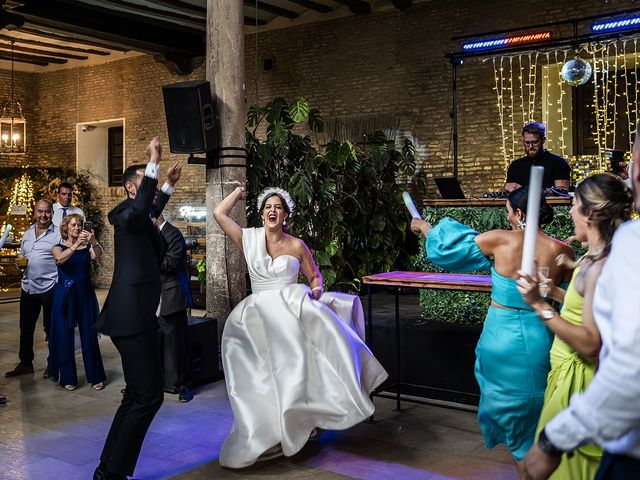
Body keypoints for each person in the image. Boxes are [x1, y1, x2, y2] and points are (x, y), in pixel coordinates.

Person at [213, 186, 388, 469]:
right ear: (261, 214)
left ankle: (298, 425)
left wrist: (316, 290)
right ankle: (265, 432)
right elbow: (219, 214)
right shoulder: (248, 239)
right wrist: (237, 193)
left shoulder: (297, 245)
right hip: (256, 318)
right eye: (267, 207)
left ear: (285, 215)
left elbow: (315, 276)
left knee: (290, 374)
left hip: (289, 315)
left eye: (278, 207)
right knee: (260, 378)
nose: (272, 210)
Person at [410, 187, 573, 479]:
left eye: (509, 210)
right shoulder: (562, 250)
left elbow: (446, 247)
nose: (507, 215)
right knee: (536, 410)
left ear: (520, 213)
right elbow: (574, 300)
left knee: (513, 417)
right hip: (541, 335)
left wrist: (423, 226)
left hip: (501, 335)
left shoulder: (499, 240)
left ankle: (526, 467)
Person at [523, 130, 640, 480]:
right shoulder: (596, 258)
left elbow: (593, 342)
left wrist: (537, 305)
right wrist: (557, 294)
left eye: (574, 203)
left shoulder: (610, 259)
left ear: (589, 213)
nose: (569, 209)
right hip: (566, 378)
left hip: (582, 384)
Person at [92, 137, 182, 480]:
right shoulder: (123, 214)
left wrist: (169, 186)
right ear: (131, 186)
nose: (152, 185)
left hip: (140, 317)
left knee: (137, 396)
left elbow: (151, 209)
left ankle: (108, 470)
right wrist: (155, 159)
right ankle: (112, 472)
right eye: (147, 179)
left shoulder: (139, 217)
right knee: (147, 397)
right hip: (130, 319)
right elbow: (144, 207)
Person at [48, 213, 107, 391]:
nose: (77, 227)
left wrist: (94, 241)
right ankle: (68, 378)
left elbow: (97, 255)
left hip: (85, 294)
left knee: (89, 333)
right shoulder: (57, 247)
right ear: (66, 227)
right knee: (65, 334)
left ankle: (95, 376)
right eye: (73, 225)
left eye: (80, 225)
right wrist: (75, 245)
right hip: (65, 295)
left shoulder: (86, 247)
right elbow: (60, 260)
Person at [5, 199, 60, 379]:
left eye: (47, 212)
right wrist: (19, 262)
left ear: (52, 213)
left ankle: (53, 365)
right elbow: (23, 255)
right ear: (35, 212)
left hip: (50, 287)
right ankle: (25, 363)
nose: (43, 215)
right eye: (40, 211)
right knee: (26, 328)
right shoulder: (28, 233)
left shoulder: (58, 234)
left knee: (51, 328)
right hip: (28, 286)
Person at [156, 211, 194, 403]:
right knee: (156, 344)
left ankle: (184, 386)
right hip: (153, 297)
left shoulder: (173, 233)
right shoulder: (150, 234)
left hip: (172, 296)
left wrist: (145, 260)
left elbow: (170, 263)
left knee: (177, 345)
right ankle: (159, 382)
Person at [503, 122, 571, 193]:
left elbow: (562, 191)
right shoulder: (515, 166)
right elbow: (504, 194)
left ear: (543, 140)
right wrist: (505, 187)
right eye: (527, 143)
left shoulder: (558, 163)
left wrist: (527, 191)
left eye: (534, 142)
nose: (530, 146)